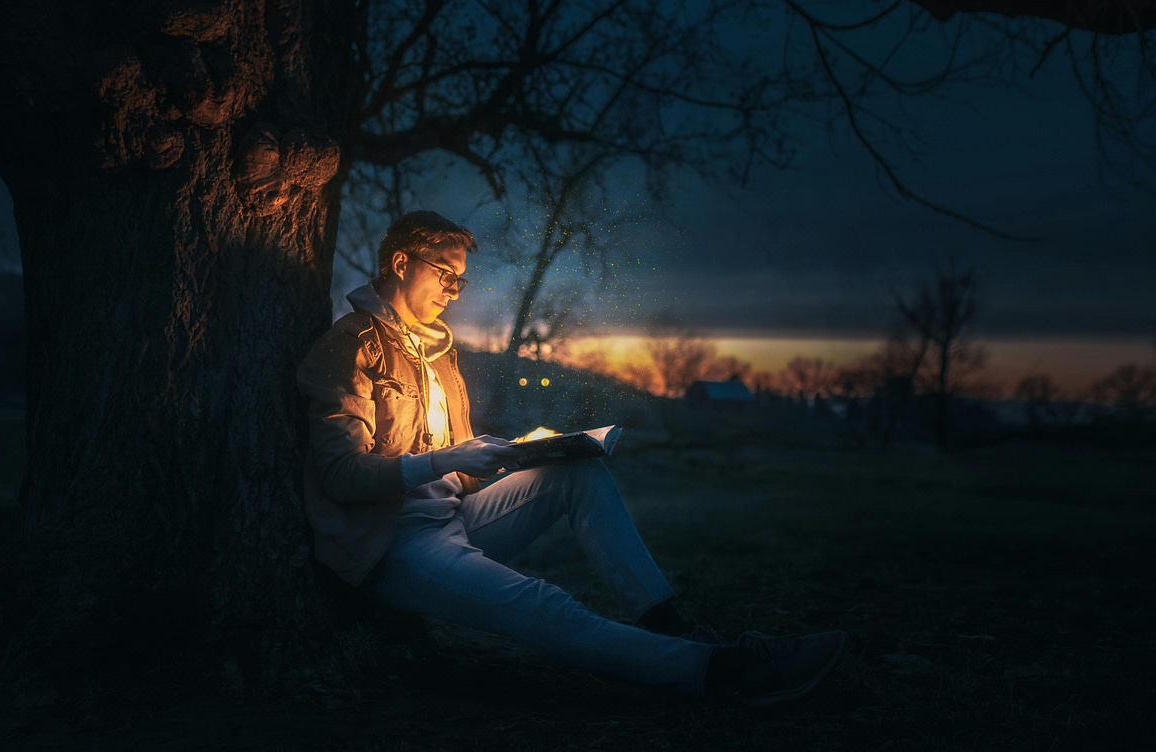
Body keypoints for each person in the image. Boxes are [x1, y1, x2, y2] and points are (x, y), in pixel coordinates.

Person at [296, 211, 845, 706]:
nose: (455, 291)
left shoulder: (440, 354)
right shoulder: (352, 346)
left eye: (460, 280)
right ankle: (722, 673)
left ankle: (672, 627)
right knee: (542, 603)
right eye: (445, 274)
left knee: (578, 470)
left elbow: (454, 470)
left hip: (452, 519)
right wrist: (444, 462)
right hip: (391, 544)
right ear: (400, 262)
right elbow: (342, 477)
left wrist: (512, 455)